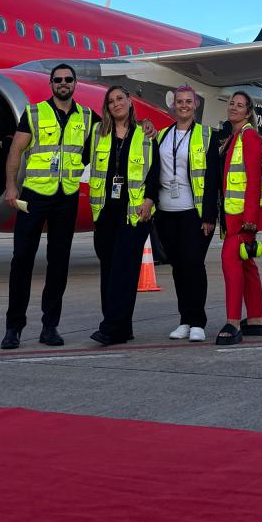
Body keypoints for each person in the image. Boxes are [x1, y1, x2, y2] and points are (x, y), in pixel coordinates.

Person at [1, 62, 95, 349]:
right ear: (51, 84)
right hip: (34, 195)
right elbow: (16, 149)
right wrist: (11, 187)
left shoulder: (87, 116)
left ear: (75, 84)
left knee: (59, 263)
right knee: (22, 260)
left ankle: (50, 327)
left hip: (67, 196)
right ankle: (13, 328)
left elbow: (118, 127)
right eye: (58, 80)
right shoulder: (34, 113)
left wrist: (145, 124)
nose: (63, 83)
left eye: (68, 79)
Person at [88, 85, 161, 346]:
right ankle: (122, 328)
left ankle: (110, 328)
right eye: (111, 101)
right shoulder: (98, 133)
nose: (116, 104)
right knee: (108, 271)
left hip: (134, 214)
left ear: (130, 102)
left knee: (124, 271)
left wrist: (149, 200)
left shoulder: (145, 133)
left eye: (120, 98)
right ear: (106, 108)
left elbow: (155, 171)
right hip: (105, 212)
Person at [155, 85, 220, 342]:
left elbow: (213, 178)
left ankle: (198, 322)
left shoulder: (206, 135)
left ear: (196, 105)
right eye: (179, 101)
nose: (184, 105)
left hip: (193, 212)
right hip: (166, 212)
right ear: (173, 105)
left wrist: (209, 216)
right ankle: (184, 319)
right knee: (178, 267)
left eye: (188, 101)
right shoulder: (162, 135)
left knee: (193, 264)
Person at [215, 90, 262, 345]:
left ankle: (233, 323)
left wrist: (250, 219)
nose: (234, 108)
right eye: (231, 104)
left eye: (240, 105)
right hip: (232, 214)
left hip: (242, 217)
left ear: (248, 113)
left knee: (230, 262)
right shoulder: (233, 137)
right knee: (247, 265)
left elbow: (254, 179)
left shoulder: (249, 137)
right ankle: (257, 320)